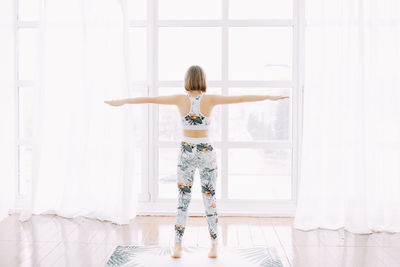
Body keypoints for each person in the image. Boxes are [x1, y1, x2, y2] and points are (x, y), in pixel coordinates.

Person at [104, 65, 289, 258]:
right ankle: (214, 245)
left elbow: (149, 99)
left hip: (186, 151)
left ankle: (177, 245)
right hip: (206, 151)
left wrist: (123, 101)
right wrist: (269, 96)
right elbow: (240, 98)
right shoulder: (209, 99)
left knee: (183, 200)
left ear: (187, 80)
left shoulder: (180, 99)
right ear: (202, 79)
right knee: (210, 199)